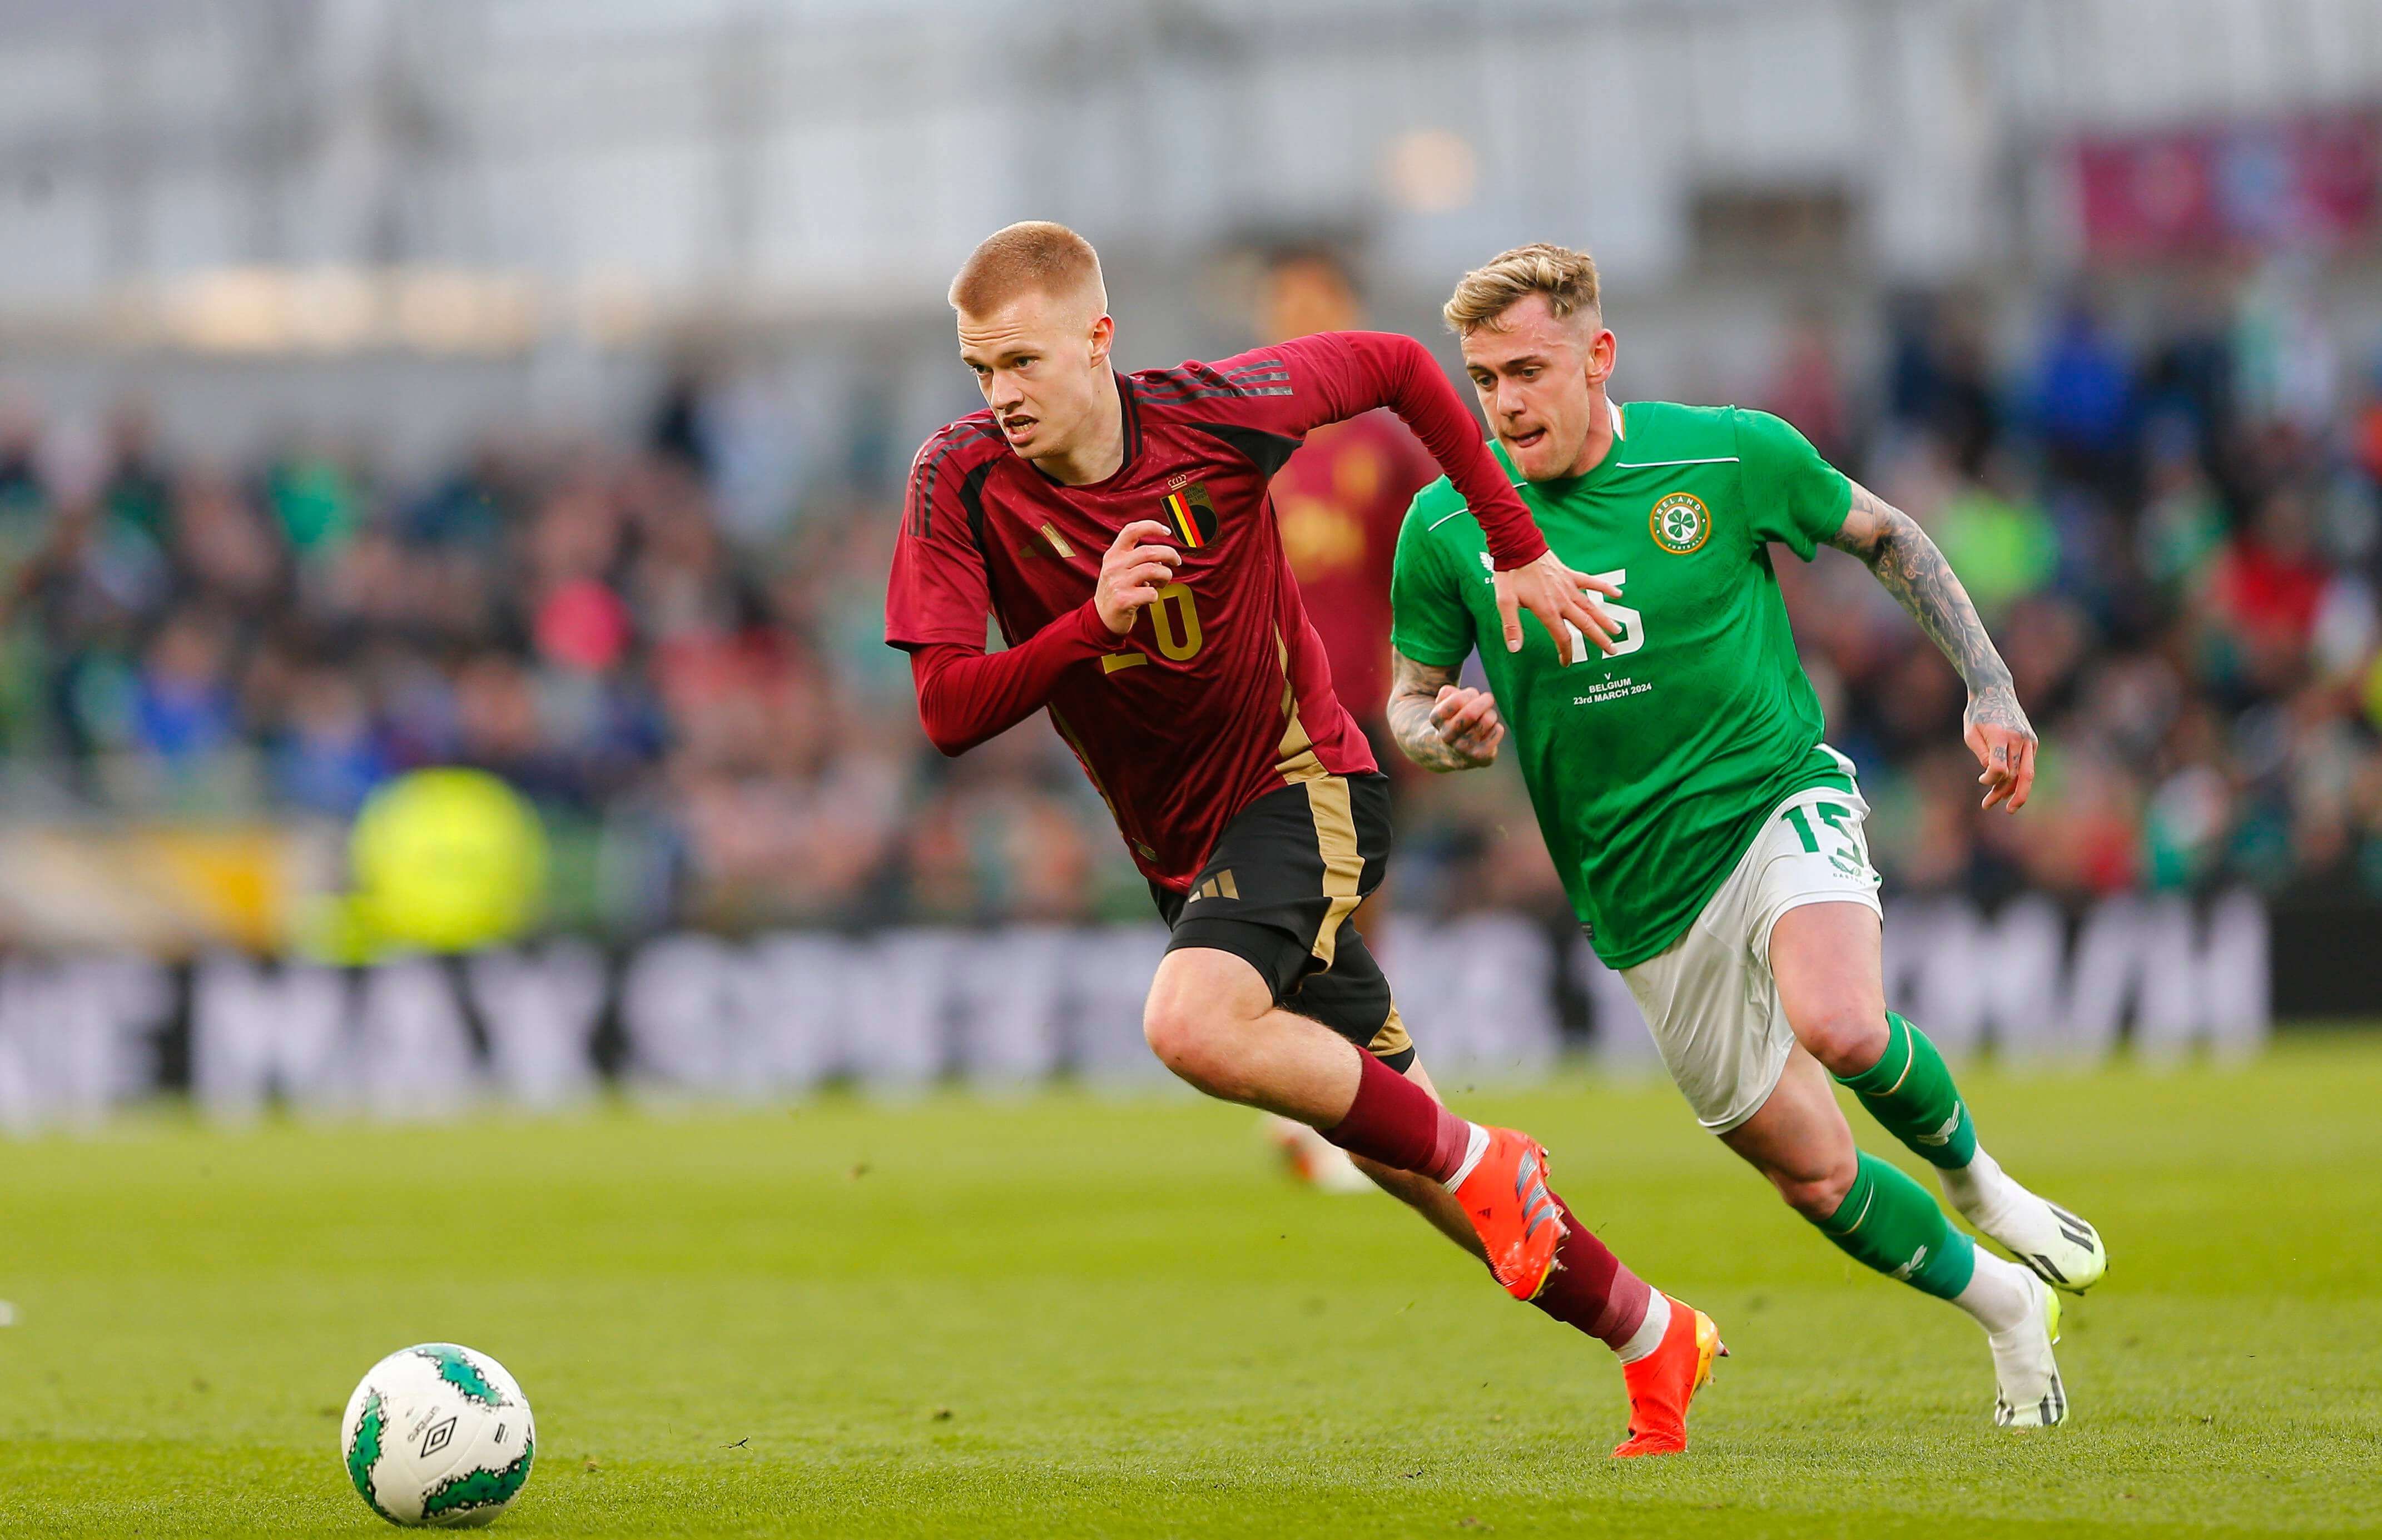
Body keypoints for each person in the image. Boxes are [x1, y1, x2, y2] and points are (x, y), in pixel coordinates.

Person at [885, 222, 1723, 1456]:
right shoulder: (955, 478)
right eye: (979, 370)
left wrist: (1520, 547)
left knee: (1193, 1022)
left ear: (1098, 341)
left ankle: (1488, 1153)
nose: (999, 396)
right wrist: (1089, 624)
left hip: (1308, 780)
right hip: (1180, 849)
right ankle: (1653, 1331)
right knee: (1416, 1159)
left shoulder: (1217, 414)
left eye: (1021, 362)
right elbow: (948, 707)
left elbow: (1395, 363)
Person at [1387, 243, 2107, 1430]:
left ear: (1598, 356)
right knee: (1814, 1173)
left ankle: (1986, 1183)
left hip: (1775, 797)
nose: (1507, 402)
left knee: (1841, 1019)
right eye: (1483, 378)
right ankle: (2008, 1310)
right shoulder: (1443, 524)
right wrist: (1439, 734)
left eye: (1529, 369)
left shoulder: (1727, 453)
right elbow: (1410, 698)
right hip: (1638, 898)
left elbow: (1889, 535)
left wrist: (1990, 685)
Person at [1250, 247, 1438, 1193]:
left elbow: (1434, 571)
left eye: (1316, 306)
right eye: (1287, 305)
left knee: (1353, 908)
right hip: (1257, 713)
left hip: (1357, 709)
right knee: (1292, 904)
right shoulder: (1247, 443)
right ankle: (1327, 1101)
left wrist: (1427, 684)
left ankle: (1351, 1102)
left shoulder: (1383, 447)